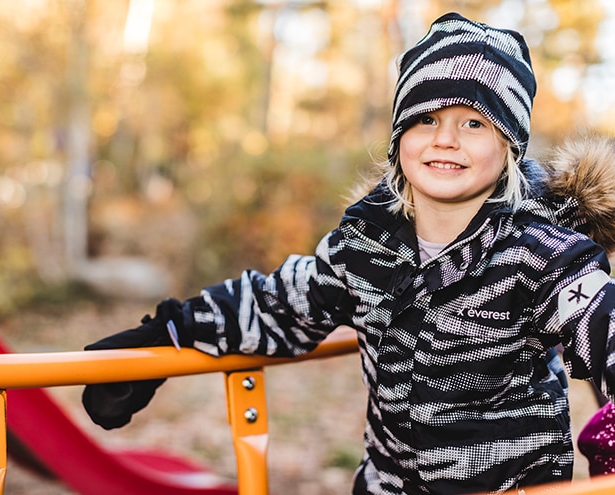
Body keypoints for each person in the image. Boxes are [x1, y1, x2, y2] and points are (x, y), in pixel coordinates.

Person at [82, 12, 615, 494]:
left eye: (474, 123)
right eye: (426, 118)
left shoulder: (541, 255)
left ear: (509, 146)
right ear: (399, 136)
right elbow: (279, 305)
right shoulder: (364, 245)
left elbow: (602, 321)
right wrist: (169, 331)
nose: (445, 139)